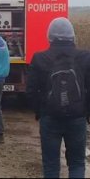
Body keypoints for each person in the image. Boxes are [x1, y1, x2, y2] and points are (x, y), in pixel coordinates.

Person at [27, 18, 90, 178]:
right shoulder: (85, 57)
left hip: (50, 117)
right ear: (72, 36)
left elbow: (31, 91)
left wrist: (40, 111)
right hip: (77, 117)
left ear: (50, 36)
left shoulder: (40, 58)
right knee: (77, 163)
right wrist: (85, 112)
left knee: (51, 165)